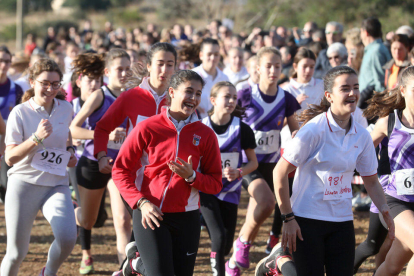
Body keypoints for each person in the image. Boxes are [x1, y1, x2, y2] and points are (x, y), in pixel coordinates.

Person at [273, 66, 395, 276]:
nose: (352, 93)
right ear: (329, 96)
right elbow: (279, 172)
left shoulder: (362, 135)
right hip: (307, 219)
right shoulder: (313, 130)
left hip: (342, 220)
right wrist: (288, 218)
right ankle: (280, 263)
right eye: (345, 88)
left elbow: (371, 181)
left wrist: (385, 210)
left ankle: (282, 262)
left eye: (356, 87)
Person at [112, 70, 223, 276]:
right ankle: (137, 264)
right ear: (172, 92)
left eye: (198, 94)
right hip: (150, 213)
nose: (194, 98)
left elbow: (216, 183)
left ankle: (136, 266)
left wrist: (192, 177)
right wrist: (140, 203)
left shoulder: (206, 134)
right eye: (188, 92)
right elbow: (120, 170)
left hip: (187, 217)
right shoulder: (147, 127)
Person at [226, 47, 301, 275]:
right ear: (258, 68)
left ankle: (234, 260)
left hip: (271, 163)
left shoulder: (286, 97)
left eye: (277, 66)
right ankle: (242, 244)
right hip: (247, 162)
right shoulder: (246, 94)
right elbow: (228, 121)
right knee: (268, 203)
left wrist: (299, 139)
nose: (273, 70)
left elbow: (295, 128)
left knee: (259, 211)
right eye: (268, 66)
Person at [0, 58, 78, 276]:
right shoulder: (19, 113)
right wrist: (36, 138)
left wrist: (70, 153)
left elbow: (67, 136)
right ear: (32, 82)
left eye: (55, 84)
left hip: (56, 184)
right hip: (23, 184)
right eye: (44, 83)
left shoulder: (66, 108)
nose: (50, 89)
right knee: (16, 253)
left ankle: (48, 272)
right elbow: (10, 158)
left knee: (67, 237)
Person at [70, 48, 131, 273]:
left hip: (120, 166)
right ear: (107, 72)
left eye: (127, 69)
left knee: (123, 222)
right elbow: (73, 129)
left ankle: (124, 269)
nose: (124, 74)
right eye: (119, 69)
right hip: (92, 164)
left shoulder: (132, 96)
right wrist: (103, 135)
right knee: (89, 221)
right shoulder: (99, 96)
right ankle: (71, 211)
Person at [201, 81, 258, 276]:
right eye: (227, 96)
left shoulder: (242, 129)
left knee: (224, 244)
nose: (232, 101)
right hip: (206, 190)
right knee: (218, 236)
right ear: (213, 100)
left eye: (234, 97)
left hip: (230, 192)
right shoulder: (201, 127)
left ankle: (221, 259)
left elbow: (253, 163)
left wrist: (239, 172)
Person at [365, 66, 414, 276]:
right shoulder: (389, 121)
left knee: (393, 265)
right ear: (402, 90)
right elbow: (361, 151)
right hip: (396, 200)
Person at [277, 47, 324, 253]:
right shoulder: (285, 88)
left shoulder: (321, 86)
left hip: (316, 148)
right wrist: (294, 106)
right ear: (295, 66)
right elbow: (277, 119)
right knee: (287, 191)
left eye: (312, 67)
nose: (308, 70)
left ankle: (306, 235)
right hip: (290, 146)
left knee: (308, 191)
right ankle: (278, 236)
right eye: (304, 66)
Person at [69, 52, 108, 274]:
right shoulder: (71, 106)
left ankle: (75, 212)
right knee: (85, 212)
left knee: (99, 217)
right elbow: (67, 133)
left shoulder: (106, 103)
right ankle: (86, 255)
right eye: (89, 79)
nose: (93, 84)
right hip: (76, 163)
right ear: (79, 81)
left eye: (97, 79)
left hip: (98, 162)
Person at [0, 46, 24, 202]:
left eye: (7, 61)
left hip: (7, 140)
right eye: (1, 60)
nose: (4, 65)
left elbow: (21, 118)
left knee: (6, 186)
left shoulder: (17, 89)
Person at [358, 17, 391, 107]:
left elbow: (380, 81)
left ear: (365, 32)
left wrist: (380, 106)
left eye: (361, 32)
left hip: (372, 103)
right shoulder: (373, 49)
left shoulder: (376, 50)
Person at [192, 38, 229, 118]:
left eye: (216, 54)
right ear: (201, 55)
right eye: (209, 54)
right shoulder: (192, 76)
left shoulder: (224, 78)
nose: (213, 58)